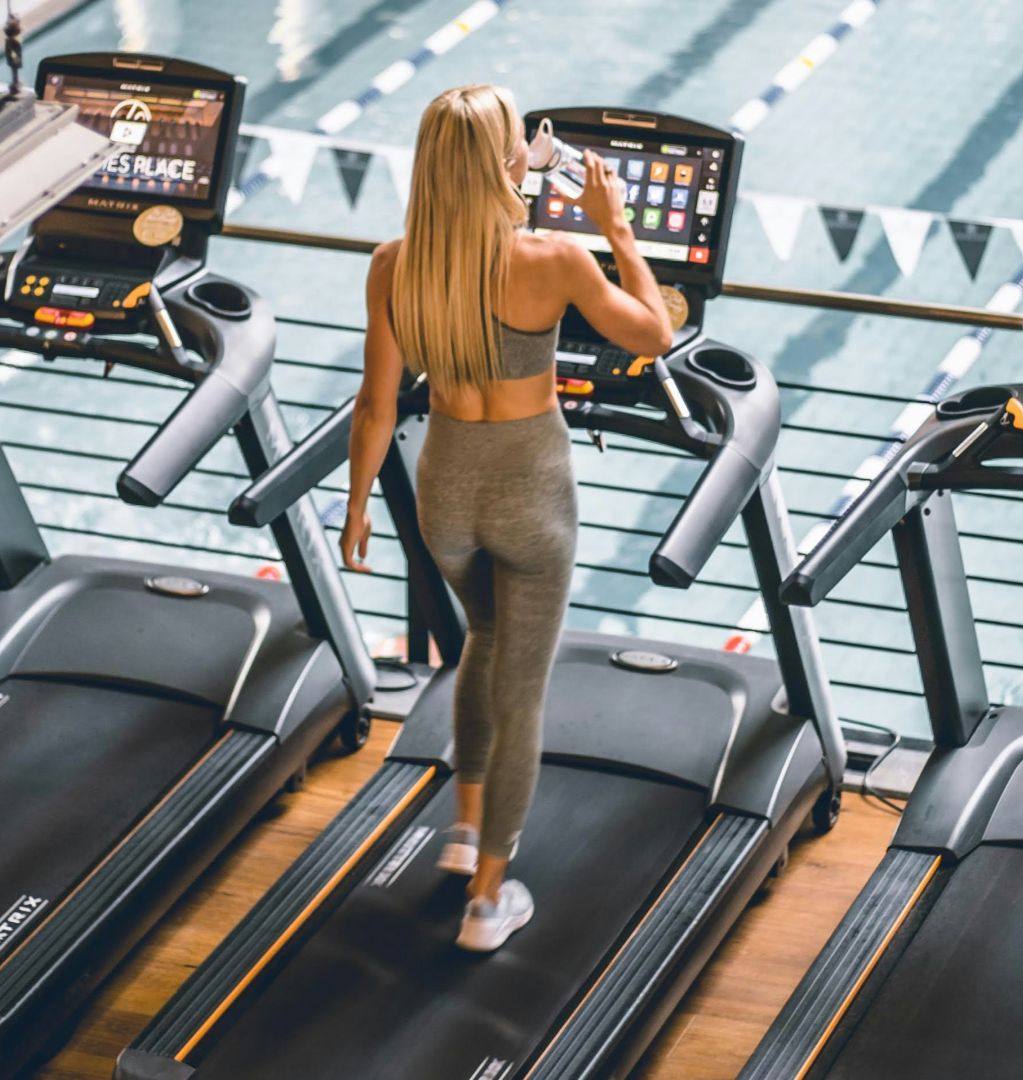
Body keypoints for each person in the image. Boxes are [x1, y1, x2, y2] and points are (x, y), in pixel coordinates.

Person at [339, 85, 674, 952]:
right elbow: (651, 337)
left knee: (483, 642)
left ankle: (463, 831)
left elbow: (376, 405)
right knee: (522, 697)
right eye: (520, 139)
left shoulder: (392, 262)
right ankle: (489, 901)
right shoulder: (556, 258)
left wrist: (354, 513)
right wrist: (618, 226)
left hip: (442, 489)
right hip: (529, 492)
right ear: (504, 162)